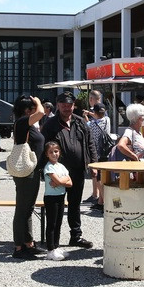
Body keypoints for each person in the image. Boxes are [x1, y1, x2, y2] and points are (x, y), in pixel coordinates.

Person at [39, 92, 95, 249]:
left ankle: (76, 236)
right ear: (57, 105)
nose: (66, 108)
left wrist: (93, 165)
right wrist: (45, 171)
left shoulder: (80, 122)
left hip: (77, 170)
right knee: (56, 205)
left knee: (75, 204)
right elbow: (43, 148)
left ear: (73, 105)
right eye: (63, 105)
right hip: (58, 172)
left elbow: (90, 143)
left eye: (69, 105)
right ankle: (53, 242)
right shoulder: (50, 124)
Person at [11, 95, 46, 259]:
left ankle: (28, 243)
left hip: (32, 171)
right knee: (22, 210)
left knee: (28, 209)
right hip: (26, 172)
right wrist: (38, 102)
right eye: (32, 108)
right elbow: (41, 112)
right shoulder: (22, 122)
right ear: (27, 110)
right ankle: (19, 247)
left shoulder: (26, 124)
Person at [42, 141, 73, 261]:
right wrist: (61, 181)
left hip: (61, 196)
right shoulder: (49, 167)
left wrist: (60, 181)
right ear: (47, 154)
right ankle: (50, 249)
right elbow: (60, 181)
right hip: (51, 197)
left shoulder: (61, 166)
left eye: (56, 151)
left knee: (59, 222)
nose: (54, 154)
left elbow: (70, 183)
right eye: (51, 152)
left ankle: (56, 246)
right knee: (52, 223)